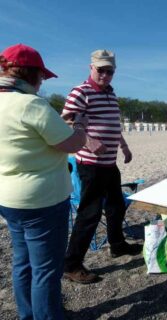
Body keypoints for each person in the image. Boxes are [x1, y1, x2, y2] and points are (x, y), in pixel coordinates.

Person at [0, 44, 87, 320]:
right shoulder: (31, 104)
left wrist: (57, 123)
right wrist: (80, 127)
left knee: (23, 262)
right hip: (43, 201)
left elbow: (27, 136)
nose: (42, 83)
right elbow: (72, 143)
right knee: (46, 270)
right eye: (42, 77)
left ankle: (28, 314)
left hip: (9, 199)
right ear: (32, 74)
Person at [62, 49, 142, 284]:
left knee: (117, 206)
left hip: (109, 164)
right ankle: (71, 265)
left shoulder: (111, 94)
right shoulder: (81, 92)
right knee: (90, 214)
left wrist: (124, 147)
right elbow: (65, 120)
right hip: (90, 164)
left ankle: (117, 245)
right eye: (101, 70)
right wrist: (87, 140)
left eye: (110, 71)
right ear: (91, 68)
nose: (105, 75)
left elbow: (113, 125)